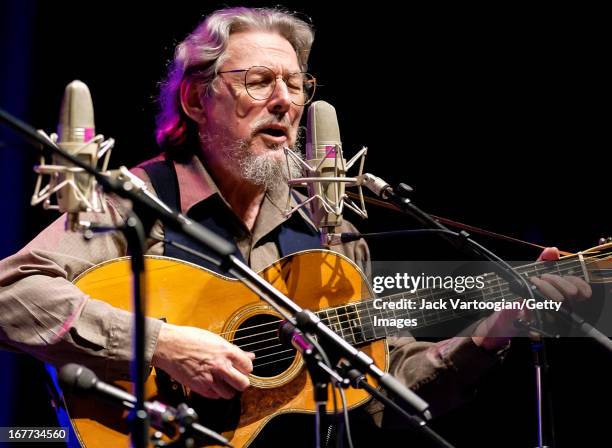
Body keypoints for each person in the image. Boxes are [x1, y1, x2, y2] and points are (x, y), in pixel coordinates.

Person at [0, 6, 591, 445]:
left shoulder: (326, 227)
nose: (284, 100)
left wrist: (493, 331)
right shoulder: (133, 202)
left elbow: (386, 382)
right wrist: (164, 344)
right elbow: (10, 293)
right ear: (196, 101)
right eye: (259, 81)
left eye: (295, 84)